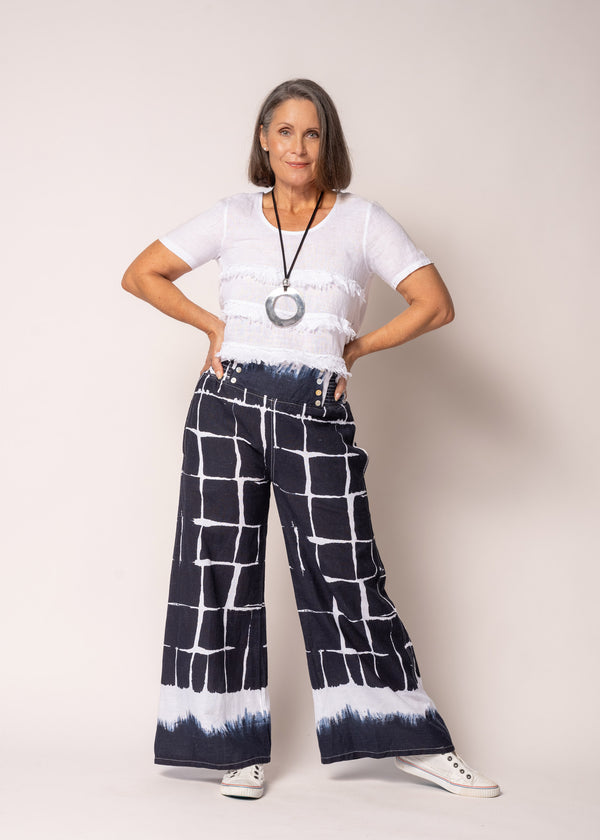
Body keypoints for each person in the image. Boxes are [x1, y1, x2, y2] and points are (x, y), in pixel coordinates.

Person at [121, 78, 500, 801]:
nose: (298, 146)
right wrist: (213, 327)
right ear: (264, 141)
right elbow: (142, 274)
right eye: (285, 131)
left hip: (314, 410)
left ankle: (408, 738)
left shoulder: (362, 221)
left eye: (312, 132)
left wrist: (355, 350)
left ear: (329, 143)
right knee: (217, 572)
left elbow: (434, 303)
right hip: (225, 407)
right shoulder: (232, 216)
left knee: (345, 569)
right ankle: (233, 746)